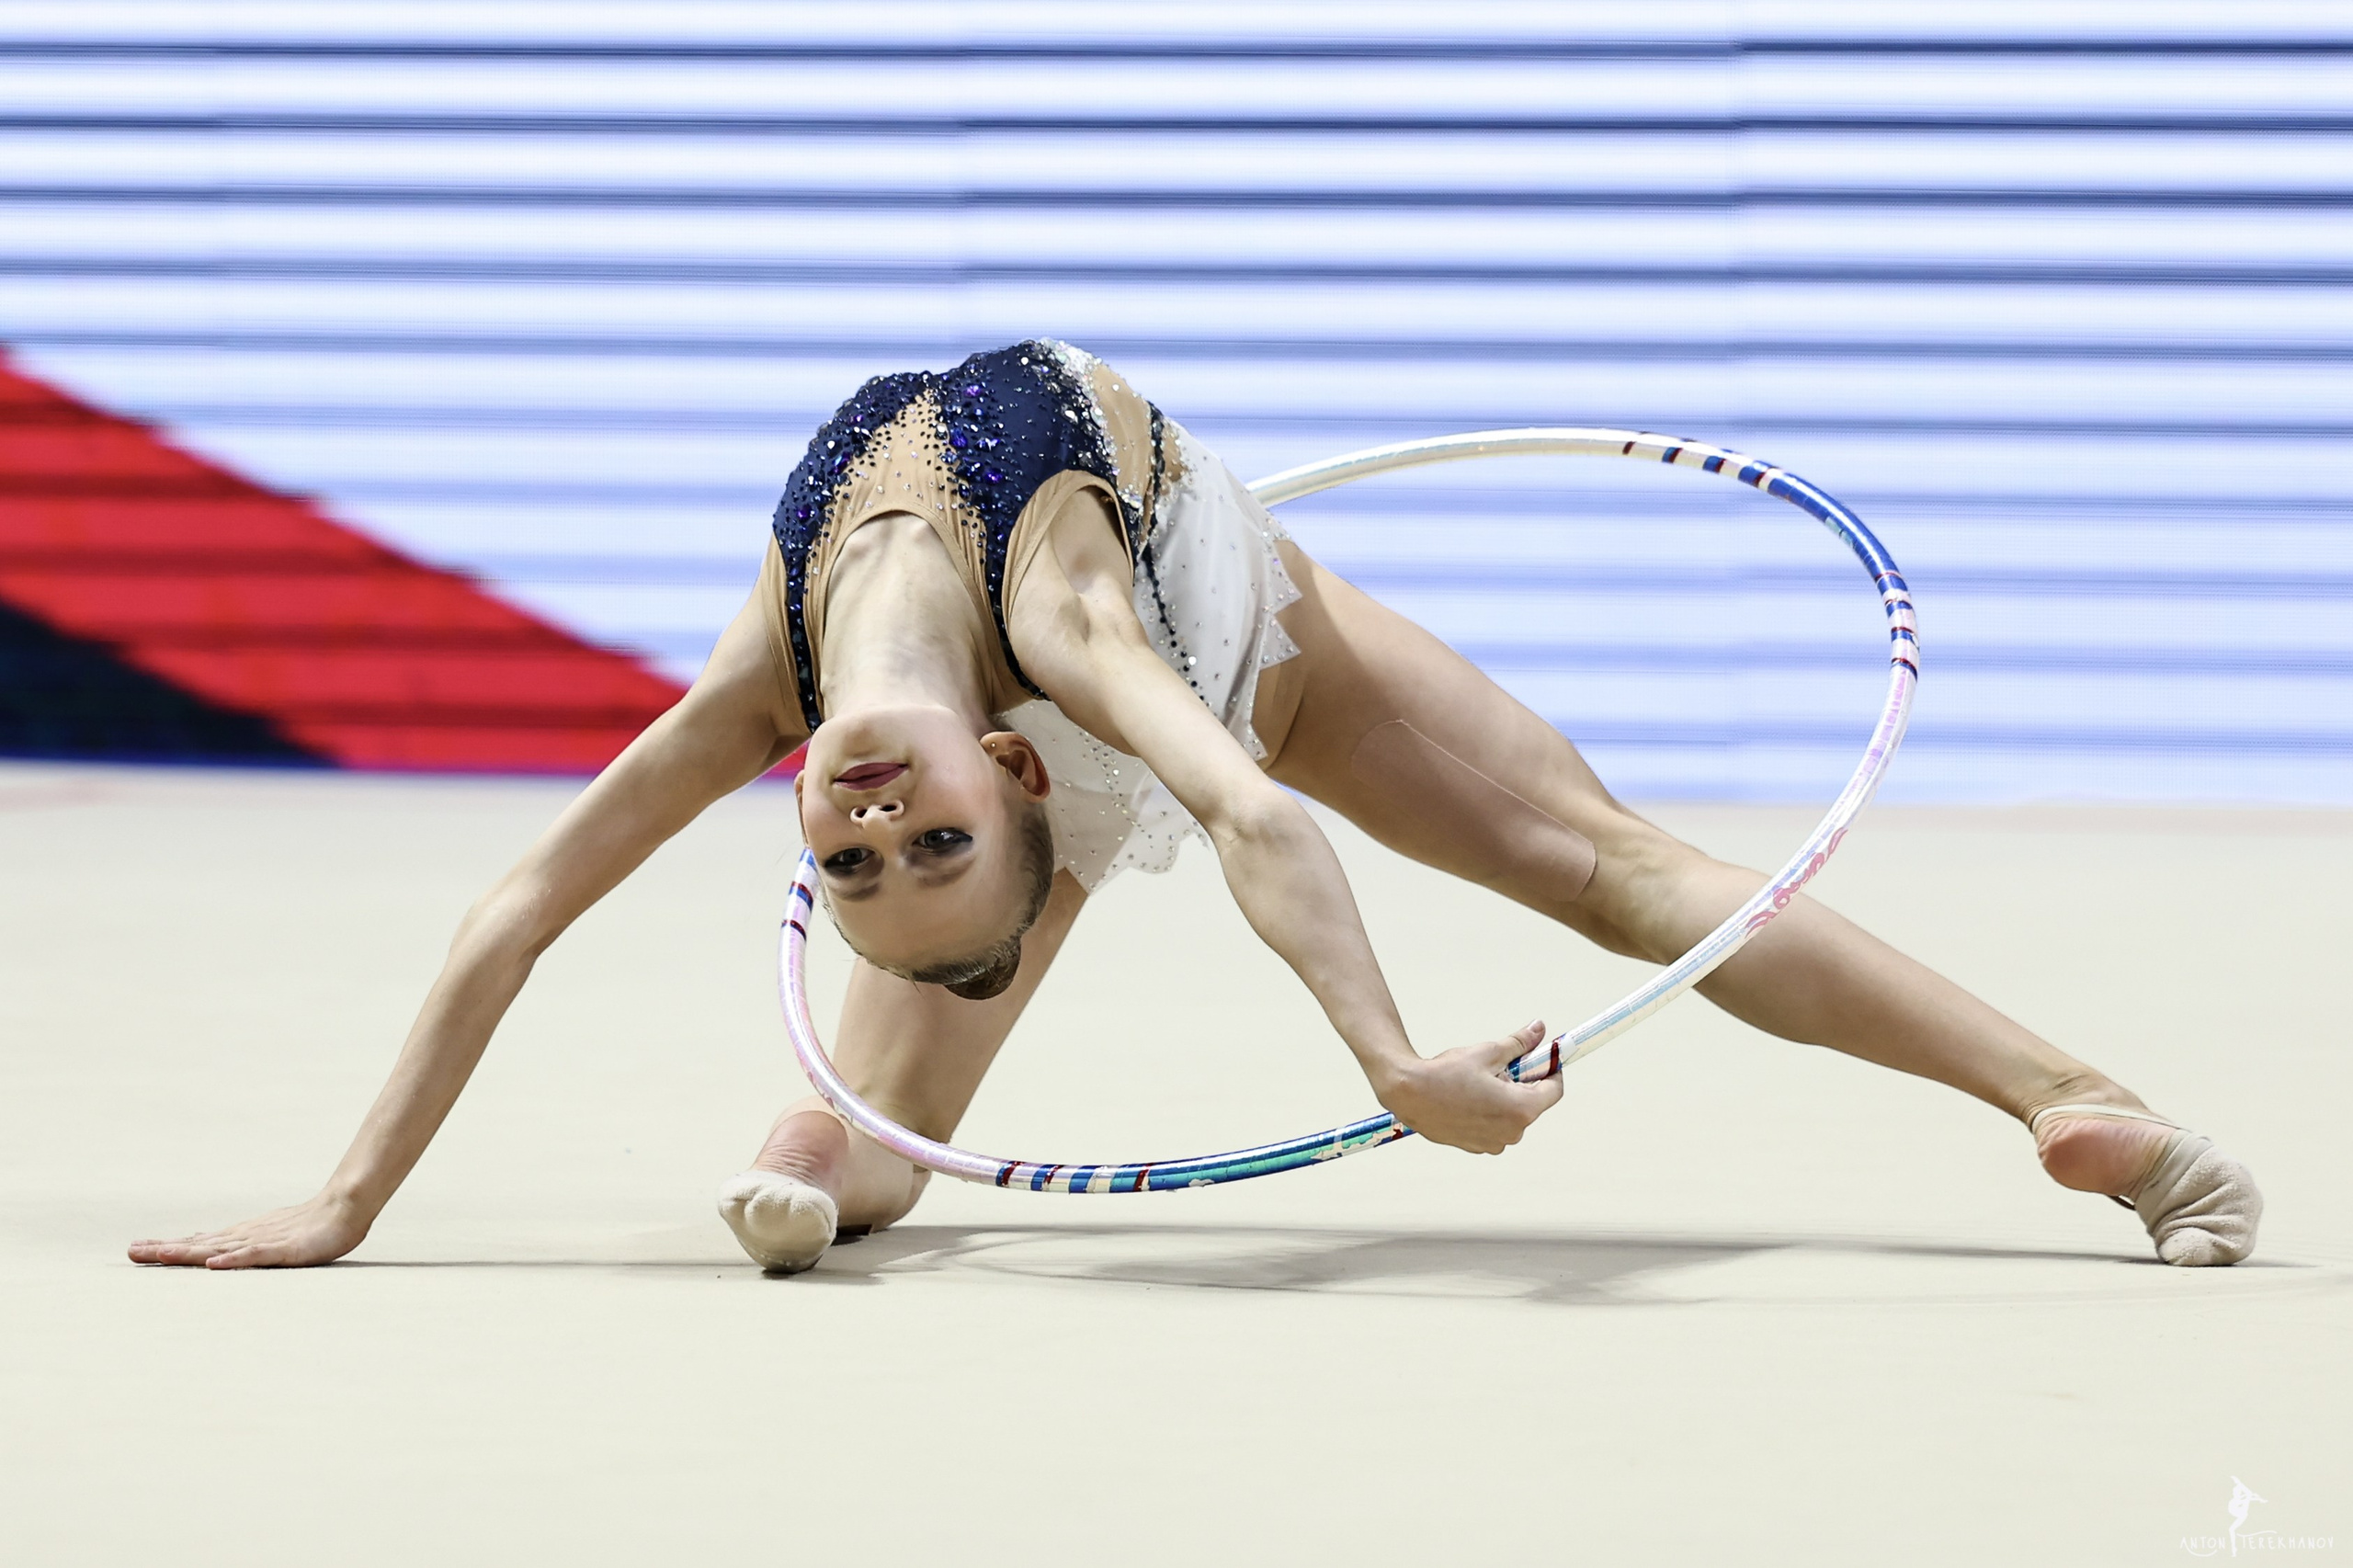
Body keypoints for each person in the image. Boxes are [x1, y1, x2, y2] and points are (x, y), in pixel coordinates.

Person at [127, 340, 2261, 1276]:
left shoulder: (810, 674)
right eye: (903, 854)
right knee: (1615, 867)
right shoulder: (1030, 664)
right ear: (1020, 778)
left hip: (1188, 640)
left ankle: (2071, 1107)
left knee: (1612, 873)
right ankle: (2090, 1104)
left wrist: (347, 1195)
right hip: (1215, 621)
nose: (865, 822)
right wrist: (347, 1197)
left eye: (860, 854)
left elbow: (520, 897)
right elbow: (1245, 807)